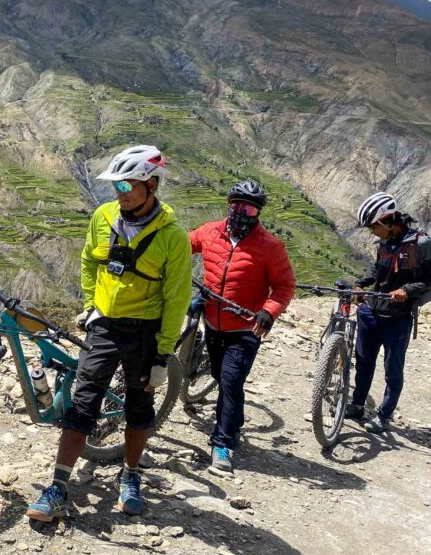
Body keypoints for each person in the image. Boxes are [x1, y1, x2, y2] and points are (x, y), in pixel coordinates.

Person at [26, 145, 192, 521]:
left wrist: (163, 354)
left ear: (152, 185)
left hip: (145, 332)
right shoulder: (103, 217)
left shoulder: (173, 237)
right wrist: (90, 304)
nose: (117, 194)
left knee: (138, 406)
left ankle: (130, 475)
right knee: (82, 404)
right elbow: (88, 259)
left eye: (125, 187)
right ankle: (58, 486)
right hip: (104, 326)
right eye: (114, 187)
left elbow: (177, 297)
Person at [188, 181, 295, 475]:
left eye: (248, 208)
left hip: (246, 328)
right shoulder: (210, 231)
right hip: (213, 321)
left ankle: (223, 442)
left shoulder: (271, 247)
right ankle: (234, 419)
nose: (240, 213)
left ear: (258, 213)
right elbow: (182, 246)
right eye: (236, 206)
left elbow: (285, 285)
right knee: (221, 378)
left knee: (232, 381)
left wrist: (269, 311)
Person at [348, 192, 431, 434]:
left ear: (388, 222)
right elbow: (377, 271)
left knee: (393, 368)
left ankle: (383, 415)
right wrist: (360, 284)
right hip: (372, 311)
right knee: (364, 361)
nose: (371, 232)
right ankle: (357, 404)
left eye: (373, 227)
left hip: (398, 318)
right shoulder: (383, 244)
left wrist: (406, 291)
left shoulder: (421, 244)